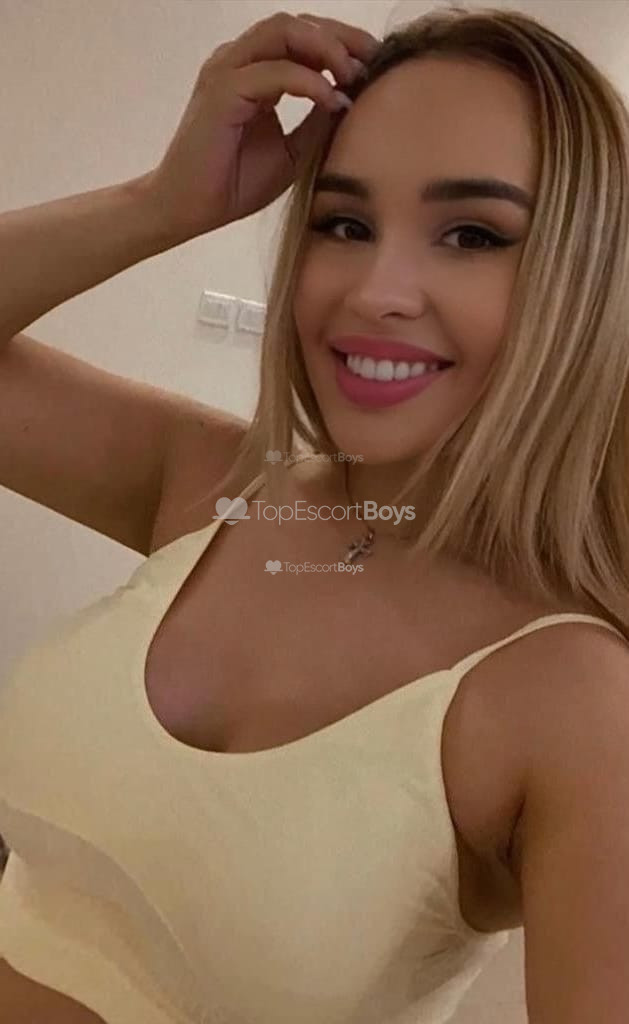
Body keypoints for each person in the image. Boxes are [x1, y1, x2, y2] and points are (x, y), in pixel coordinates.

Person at [1, 4, 629, 1023]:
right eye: (343, 223)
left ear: (585, 285)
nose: (375, 291)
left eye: (471, 234)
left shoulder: (575, 701)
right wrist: (159, 203)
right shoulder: (219, 484)